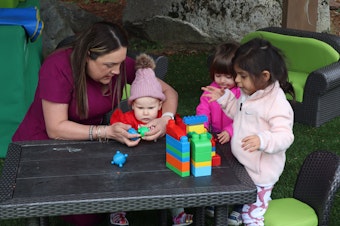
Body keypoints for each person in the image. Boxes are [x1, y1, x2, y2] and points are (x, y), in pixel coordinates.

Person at [12, 21, 178, 226]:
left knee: (109, 195)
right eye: (109, 65)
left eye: (119, 63)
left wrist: (165, 119)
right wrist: (107, 131)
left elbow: (170, 92)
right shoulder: (57, 67)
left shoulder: (118, 65)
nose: (118, 71)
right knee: (84, 212)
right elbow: (56, 128)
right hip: (42, 145)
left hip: (89, 143)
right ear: (88, 55)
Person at [201, 38, 295, 226]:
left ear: (264, 76)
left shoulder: (276, 105)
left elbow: (285, 136)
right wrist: (225, 99)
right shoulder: (250, 94)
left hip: (260, 175)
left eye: (242, 76)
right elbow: (240, 113)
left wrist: (262, 140)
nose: (236, 81)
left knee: (251, 217)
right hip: (243, 164)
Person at [109, 53, 193, 226]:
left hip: (161, 160)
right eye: (140, 107)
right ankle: (118, 210)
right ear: (132, 105)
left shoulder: (164, 118)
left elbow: (180, 130)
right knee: (123, 181)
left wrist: (170, 128)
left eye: (151, 107)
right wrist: (124, 132)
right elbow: (114, 126)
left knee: (175, 181)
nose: (146, 113)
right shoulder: (126, 117)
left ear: (160, 105)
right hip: (132, 160)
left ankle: (179, 213)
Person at [196, 42, 243, 225]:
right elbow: (203, 108)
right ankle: (215, 201)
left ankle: (240, 207)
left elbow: (243, 117)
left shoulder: (240, 93)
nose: (222, 81)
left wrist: (230, 131)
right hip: (214, 135)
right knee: (215, 170)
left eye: (227, 76)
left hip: (235, 138)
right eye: (218, 75)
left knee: (239, 172)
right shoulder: (211, 89)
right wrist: (203, 126)